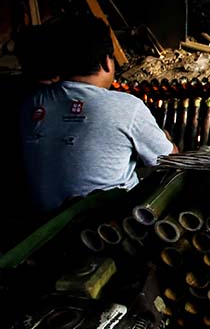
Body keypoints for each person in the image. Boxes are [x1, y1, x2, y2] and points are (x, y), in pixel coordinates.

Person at [19, 16, 176, 215]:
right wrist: (164, 138)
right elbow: (171, 160)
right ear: (106, 62)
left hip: (41, 225)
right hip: (107, 225)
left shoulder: (33, 103)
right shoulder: (127, 106)